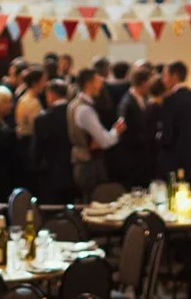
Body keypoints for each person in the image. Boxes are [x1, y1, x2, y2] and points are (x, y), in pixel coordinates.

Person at [69, 68, 125, 196]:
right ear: (89, 84)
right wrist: (116, 131)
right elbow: (104, 141)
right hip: (90, 166)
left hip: (80, 162)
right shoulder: (85, 110)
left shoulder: (73, 104)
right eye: (98, 82)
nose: (101, 85)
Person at [110, 65, 158, 187]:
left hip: (143, 157)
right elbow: (125, 132)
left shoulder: (144, 99)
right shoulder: (126, 103)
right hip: (133, 159)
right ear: (143, 83)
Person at [157, 61, 191, 177]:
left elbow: (167, 135)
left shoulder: (170, 101)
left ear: (174, 76)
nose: (162, 80)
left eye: (165, 75)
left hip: (176, 157)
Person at [32, 80, 75, 203]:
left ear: (50, 95)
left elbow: (37, 151)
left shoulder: (42, 119)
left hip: (50, 174)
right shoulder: (74, 113)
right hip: (73, 172)